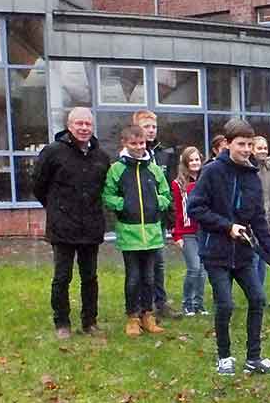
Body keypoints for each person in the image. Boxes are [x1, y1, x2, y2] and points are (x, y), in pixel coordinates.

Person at [187, 118, 270, 376]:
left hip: (243, 254)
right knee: (226, 304)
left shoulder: (252, 177)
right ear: (227, 144)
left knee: (258, 298)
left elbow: (259, 222)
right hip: (215, 252)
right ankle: (224, 356)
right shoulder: (212, 172)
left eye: (250, 144)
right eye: (241, 144)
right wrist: (227, 226)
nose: (246, 149)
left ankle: (253, 357)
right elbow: (195, 208)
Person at [32, 107, 112, 339]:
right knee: (62, 277)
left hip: (91, 227)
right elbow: (39, 185)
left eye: (88, 124)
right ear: (69, 126)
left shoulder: (101, 156)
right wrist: (57, 208)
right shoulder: (53, 152)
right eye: (79, 124)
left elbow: (104, 189)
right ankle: (62, 323)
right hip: (63, 227)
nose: (84, 128)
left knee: (90, 277)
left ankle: (90, 322)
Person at [101, 124, 172, 337]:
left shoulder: (153, 168)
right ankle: (132, 316)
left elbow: (166, 194)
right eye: (134, 143)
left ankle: (147, 315)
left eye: (141, 143)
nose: (139, 147)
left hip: (151, 233)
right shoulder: (117, 169)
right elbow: (108, 195)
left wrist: (155, 202)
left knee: (149, 278)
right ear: (124, 143)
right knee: (133, 278)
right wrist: (124, 205)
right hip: (129, 233)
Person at [132, 110, 180, 321]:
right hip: (137, 220)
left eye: (153, 127)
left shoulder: (162, 154)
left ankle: (160, 302)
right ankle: (143, 306)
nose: (151, 131)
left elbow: (167, 188)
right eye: (146, 126)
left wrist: (170, 216)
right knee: (141, 266)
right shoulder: (131, 155)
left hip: (157, 219)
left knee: (159, 262)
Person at [172, 146, 207, 317]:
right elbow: (176, 211)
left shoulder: (206, 180)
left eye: (197, 160)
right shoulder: (177, 184)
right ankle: (187, 303)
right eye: (191, 160)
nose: (195, 163)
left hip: (204, 230)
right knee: (193, 267)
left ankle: (199, 304)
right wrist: (176, 234)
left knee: (203, 270)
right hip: (187, 232)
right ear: (185, 163)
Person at [252, 136, 270, 288]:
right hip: (252, 220)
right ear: (252, 149)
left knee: (264, 259)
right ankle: (255, 293)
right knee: (254, 258)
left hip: (267, 218)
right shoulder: (249, 168)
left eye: (265, 148)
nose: (263, 151)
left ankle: (260, 293)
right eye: (259, 148)